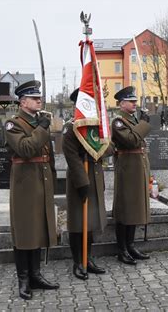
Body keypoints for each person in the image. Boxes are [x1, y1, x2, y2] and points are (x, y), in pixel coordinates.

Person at [4, 80, 59, 300]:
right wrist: (43, 128)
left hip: (41, 179)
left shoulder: (37, 122)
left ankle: (36, 275)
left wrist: (52, 176)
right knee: (25, 230)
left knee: (38, 228)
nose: (39, 101)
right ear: (23, 101)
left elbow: (48, 154)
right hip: (25, 183)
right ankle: (24, 278)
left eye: (39, 97)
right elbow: (26, 149)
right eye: (34, 98)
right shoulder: (13, 124)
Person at [62, 88, 115, 280]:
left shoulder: (96, 126)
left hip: (95, 176)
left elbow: (110, 147)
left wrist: (93, 150)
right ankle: (78, 261)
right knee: (78, 223)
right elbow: (71, 156)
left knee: (90, 222)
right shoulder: (71, 127)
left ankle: (88, 258)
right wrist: (82, 183)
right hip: (80, 179)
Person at [111, 86, 151, 265]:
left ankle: (131, 245)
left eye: (135, 100)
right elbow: (131, 140)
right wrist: (143, 124)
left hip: (137, 167)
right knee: (125, 208)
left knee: (135, 207)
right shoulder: (118, 122)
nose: (135, 103)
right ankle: (122, 249)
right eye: (131, 101)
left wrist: (141, 123)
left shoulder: (133, 121)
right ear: (121, 104)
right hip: (127, 169)